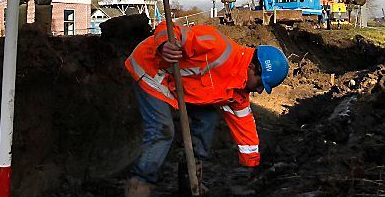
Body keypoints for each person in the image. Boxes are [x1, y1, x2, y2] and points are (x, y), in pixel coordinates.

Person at [123, 23, 289, 196]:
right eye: (261, 84)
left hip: (182, 87)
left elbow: (244, 124)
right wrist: (165, 45)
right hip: (151, 70)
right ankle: (139, 184)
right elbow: (171, 28)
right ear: (252, 68)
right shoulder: (216, 46)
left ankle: (191, 180)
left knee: (207, 120)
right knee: (162, 131)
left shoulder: (237, 91)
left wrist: (252, 165)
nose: (260, 91)